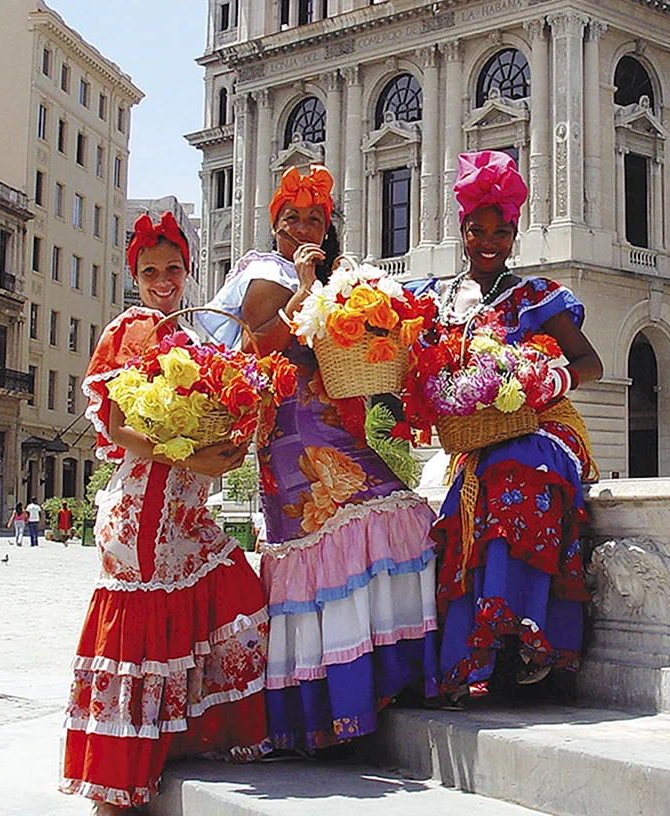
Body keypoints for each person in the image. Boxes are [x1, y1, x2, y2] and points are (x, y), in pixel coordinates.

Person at [198, 165, 439, 751]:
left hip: (322, 422)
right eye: (292, 219)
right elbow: (262, 342)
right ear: (274, 225)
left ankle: (372, 681)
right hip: (293, 431)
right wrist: (306, 285)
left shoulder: (329, 275)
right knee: (384, 520)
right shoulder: (267, 270)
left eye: (314, 219)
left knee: (391, 521)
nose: (303, 227)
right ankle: (340, 700)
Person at [60, 211, 269, 813]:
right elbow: (120, 425)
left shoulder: (195, 334)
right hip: (144, 506)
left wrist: (213, 458)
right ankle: (121, 779)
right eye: (150, 271)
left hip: (183, 503)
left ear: (188, 271)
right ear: (135, 274)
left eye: (173, 269)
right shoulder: (132, 328)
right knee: (146, 627)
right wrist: (187, 454)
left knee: (235, 592)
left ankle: (177, 738)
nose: (162, 281)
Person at [409, 151, 602, 704]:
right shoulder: (438, 300)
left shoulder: (536, 297)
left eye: (501, 231)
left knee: (515, 474)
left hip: (543, 426)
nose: (488, 241)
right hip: (477, 439)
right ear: (462, 232)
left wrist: (540, 381)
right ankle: (485, 652)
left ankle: (524, 640)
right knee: (473, 494)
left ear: (514, 234)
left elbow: (590, 364)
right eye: (478, 231)